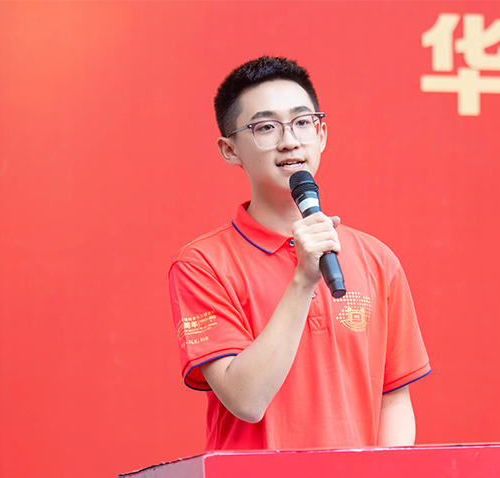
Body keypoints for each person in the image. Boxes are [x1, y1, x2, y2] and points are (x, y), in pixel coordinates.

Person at [168, 56, 430, 451]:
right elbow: (246, 400)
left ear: (321, 134)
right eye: (266, 127)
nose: (289, 141)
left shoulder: (377, 260)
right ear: (230, 149)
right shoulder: (202, 265)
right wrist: (303, 280)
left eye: (302, 122)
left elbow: (393, 398)